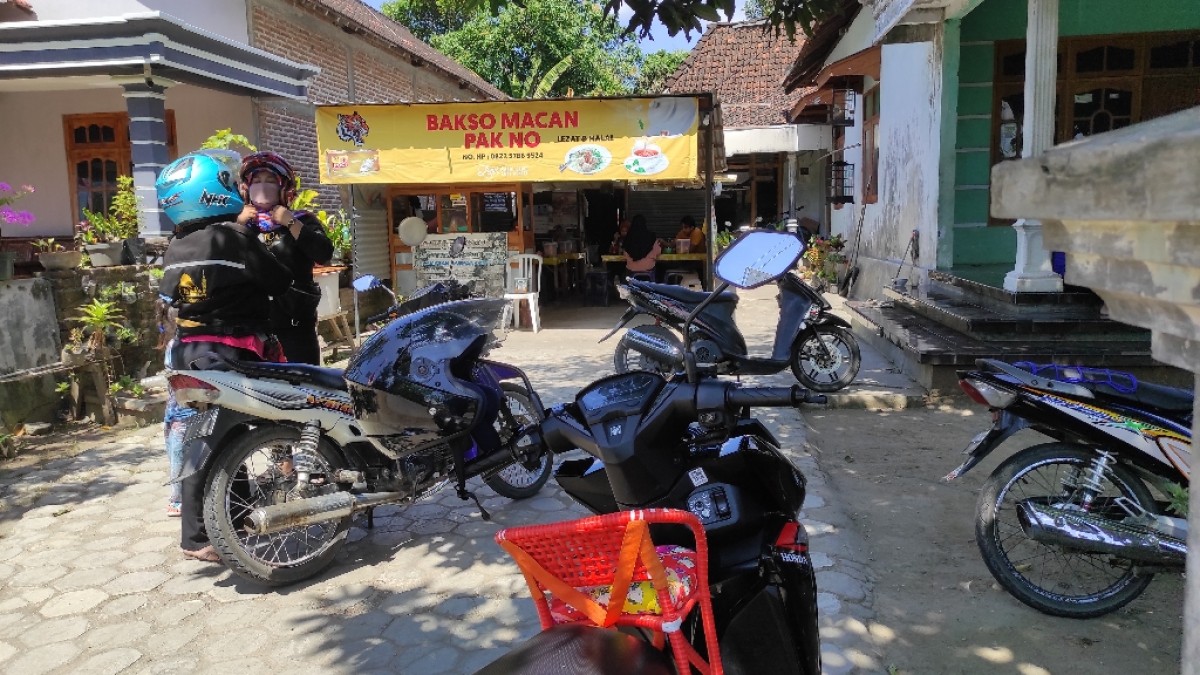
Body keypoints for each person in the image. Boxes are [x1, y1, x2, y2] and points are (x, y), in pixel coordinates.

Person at [158, 149, 295, 562]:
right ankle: (198, 538)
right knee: (221, 438)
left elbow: (168, 299)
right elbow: (278, 279)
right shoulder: (234, 238)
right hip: (228, 351)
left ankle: (229, 522)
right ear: (214, 192)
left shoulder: (176, 244)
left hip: (187, 350)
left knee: (214, 436)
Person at [238, 152, 333, 366]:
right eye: (257, 181)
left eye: (270, 181)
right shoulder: (239, 225)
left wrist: (291, 223)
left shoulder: (304, 220)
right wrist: (237, 224)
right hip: (251, 329)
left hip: (295, 326)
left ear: (284, 188)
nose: (263, 187)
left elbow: (323, 254)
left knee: (303, 390)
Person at [622, 214, 660, 280]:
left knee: (624, 271)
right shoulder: (651, 237)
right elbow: (658, 252)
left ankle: (630, 286)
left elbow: (625, 255)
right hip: (648, 267)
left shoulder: (628, 238)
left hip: (631, 269)